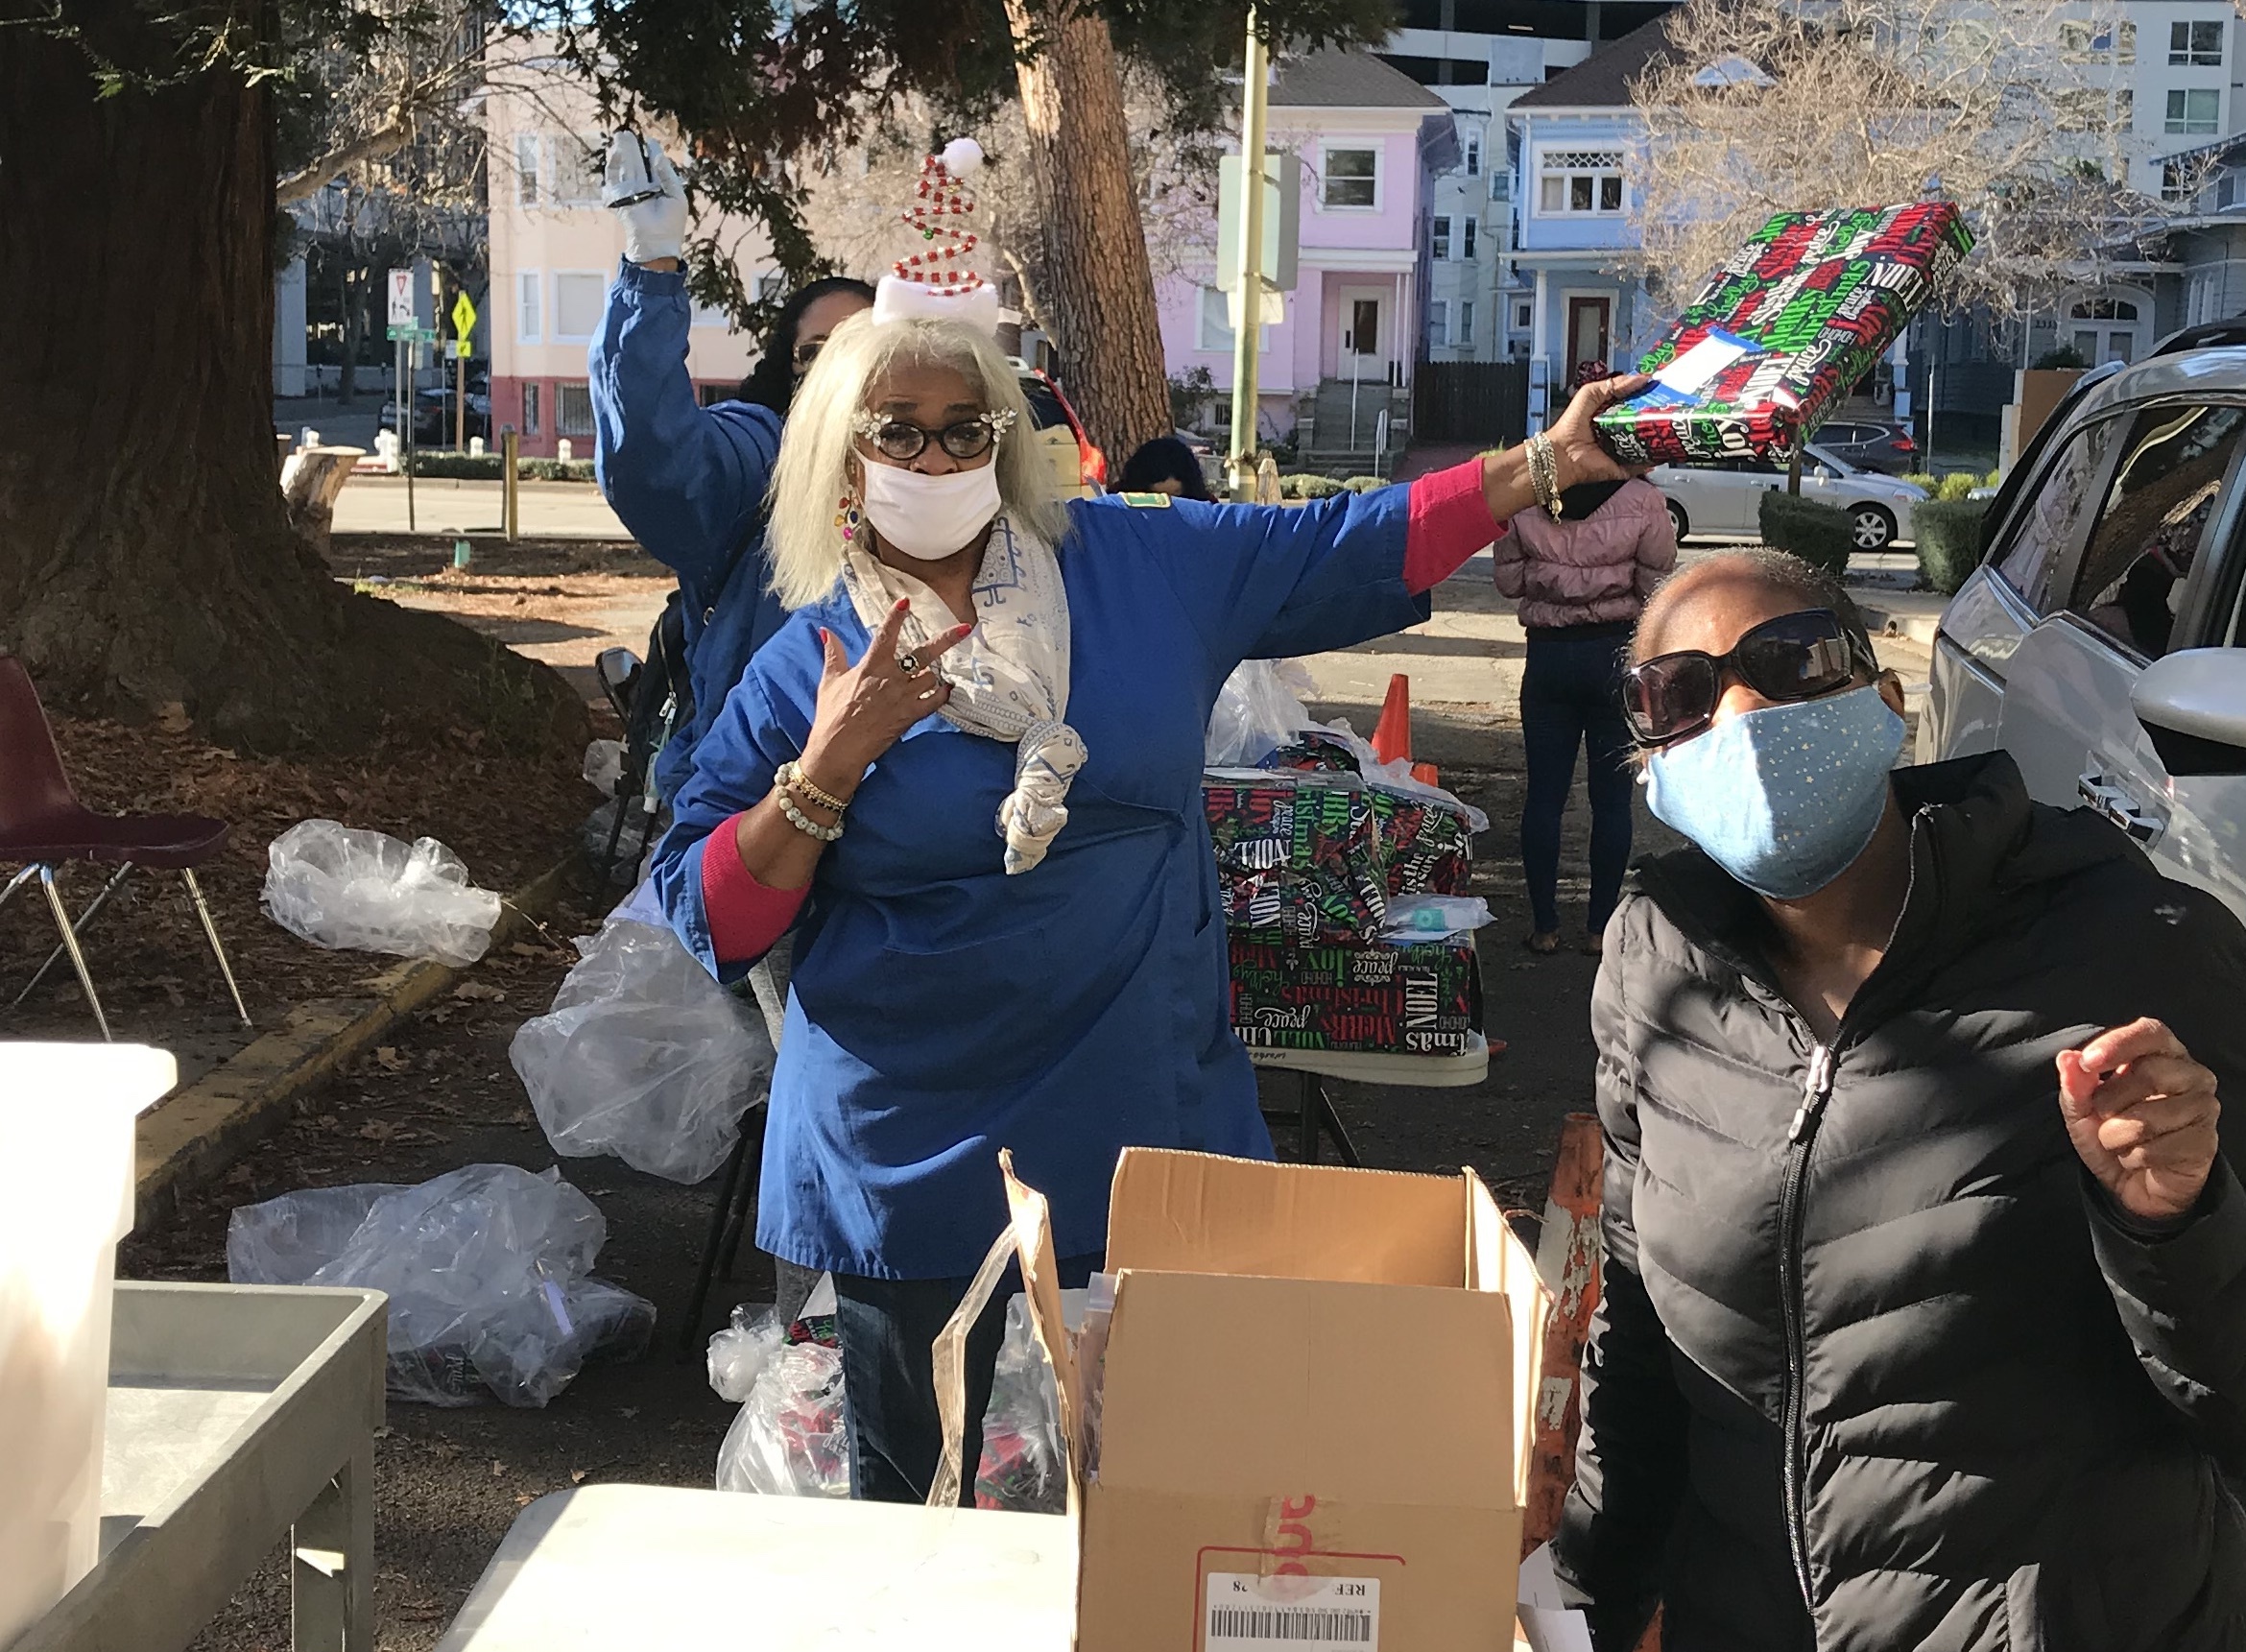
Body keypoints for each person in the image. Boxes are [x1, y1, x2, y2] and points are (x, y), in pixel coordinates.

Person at [648, 162, 1650, 1501]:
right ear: (841, 451)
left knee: (1168, 1507)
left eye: (965, 430)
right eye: (898, 431)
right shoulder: (805, 661)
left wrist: (1537, 467)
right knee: (918, 1529)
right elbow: (712, 915)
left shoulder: (1137, 563)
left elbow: (1342, 546)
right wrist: (826, 768)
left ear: (1007, 436)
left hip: (1149, 1127)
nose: (938, 459)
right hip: (904, 1162)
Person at [1556, 547, 2246, 1652]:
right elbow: (1648, 1338)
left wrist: (2176, 1219)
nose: (1745, 720)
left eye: (1791, 662)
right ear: (1646, 758)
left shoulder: (2137, 949)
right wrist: (1570, 1599)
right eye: (1683, 692)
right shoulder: (1654, 967)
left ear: (1884, 699)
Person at [591, 132, 874, 792]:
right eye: (817, 350)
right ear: (787, 367)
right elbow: (653, 456)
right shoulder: (758, 457)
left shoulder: (944, 470)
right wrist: (652, 272)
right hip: (743, 801)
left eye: (863, 346)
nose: (841, 367)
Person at [1492, 473, 1674, 955]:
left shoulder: (1527, 496)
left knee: (1544, 797)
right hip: (1614, 656)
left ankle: (1545, 927)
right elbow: (1657, 586)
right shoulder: (1644, 499)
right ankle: (1598, 931)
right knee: (1612, 802)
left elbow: (1509, 582)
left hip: (1548, 658)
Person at [1114, 434, 1210, 500]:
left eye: (1175, 497)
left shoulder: (1206, 509)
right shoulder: (1116, 504)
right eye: (1156, 496)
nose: (1166, 504)